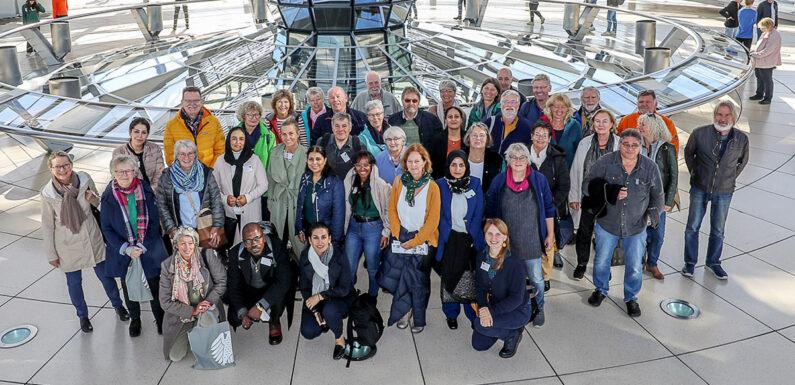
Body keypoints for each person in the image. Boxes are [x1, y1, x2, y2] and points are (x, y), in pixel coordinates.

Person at [41, 151, 128, 334]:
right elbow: (48, 226)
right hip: (67, 245)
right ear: (51, 169)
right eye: (58, 166)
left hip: (91, 238)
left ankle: (118, 306)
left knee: (106, 277)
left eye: (66, 165)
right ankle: (83, 316)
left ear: (71, 164)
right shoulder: (48, 193)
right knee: (74, 283)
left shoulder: (85, 179)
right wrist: (51, 254)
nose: (63, 169)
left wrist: (93, 199)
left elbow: (99, 204)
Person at [582, 130, 664, 317]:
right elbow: (586, 186)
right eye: (625, 144)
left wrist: (652, 215)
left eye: (634, 145)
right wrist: (610, 191)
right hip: (607, 223)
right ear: (620, 144)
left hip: (636, 226)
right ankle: (600, 290)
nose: (629, 148)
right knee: (602, 261)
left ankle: (631, 298)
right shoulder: (606, 162)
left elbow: (658, 195)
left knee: (635, 265)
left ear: (640, 147)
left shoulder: (650, 167)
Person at [485, 143, 555, 328]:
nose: (518, 161)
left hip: (531, 240)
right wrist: (491, 239)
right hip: (506, 243)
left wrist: (550, 235)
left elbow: (549, 208)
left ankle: (539, 308)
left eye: (522, 157)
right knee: (506, 279)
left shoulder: (539, 180)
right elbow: (491, 211)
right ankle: (512, 308)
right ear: (508, 160)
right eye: (514, 157)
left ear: (528, 160)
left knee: (536, 278)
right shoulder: (499, 181)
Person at [100, 154, 168, 337]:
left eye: (128, 171)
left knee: (154, 286)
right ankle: (135, 320)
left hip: (148, 248)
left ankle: (160, 319)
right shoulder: (108, 197)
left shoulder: (144, 189)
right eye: (120, 171)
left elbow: (154, 221)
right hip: (123, 252)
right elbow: (106, 228)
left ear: (134, 171)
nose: (125, 175)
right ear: (114, 173)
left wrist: (143, 246)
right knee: (129, 288)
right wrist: (127, 249)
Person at [683, 101, 749, 280]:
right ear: (714, 115)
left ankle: (713, 263)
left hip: (724, 190)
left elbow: (742, 162)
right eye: (719, 114)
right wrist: (695, 173)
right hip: (700, 187)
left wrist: (729, 177)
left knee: (718, 230)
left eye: (727, 115)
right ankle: (689, 263)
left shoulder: (741, 139)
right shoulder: (699, 133)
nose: (723, 118)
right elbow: (689, 153)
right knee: (692, 227)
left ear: (733, 117)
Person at [380, 144, 441, 333]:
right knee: (400, 278)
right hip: (401, 236)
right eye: (410, 161)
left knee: (419, 280)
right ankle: (403, 312)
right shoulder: (399, 182)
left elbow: (433, 220)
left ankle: (419, 316)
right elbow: (391, 209)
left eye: (417, 161)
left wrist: (415, 241)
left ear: (424, 162)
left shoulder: (432, 186)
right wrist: (397, 233)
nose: (413, 165)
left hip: (423, 240)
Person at [159, 226, 227, 361]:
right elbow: (165, 301)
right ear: (176, 245)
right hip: (183, 314)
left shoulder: (207, 255)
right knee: (175, 356)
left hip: (207, 307)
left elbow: (221, 281)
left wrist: (208, 301)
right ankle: (192, 327)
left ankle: (202, 330)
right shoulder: (167, 266)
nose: (187, 247)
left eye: (191, 243)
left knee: (208, 324)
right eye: (182, 243)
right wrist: (192, 311)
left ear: (195, 244)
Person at [436, 150, 485, 329]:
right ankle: (451, 314)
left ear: (467, 166)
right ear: (448, 166)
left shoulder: (475, 184)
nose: (457, 168)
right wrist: (448, 236)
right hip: (449, 239)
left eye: (461, 164)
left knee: (469, 278)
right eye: (453, 164)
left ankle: (472, 314)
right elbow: (438, 214)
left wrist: (470, 236)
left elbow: (479, 212)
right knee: (449, 277)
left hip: (469, 239)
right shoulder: (440, 184)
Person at [569, 109, 620, 280]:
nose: (600, 124)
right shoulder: (585, 143)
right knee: (584, 232)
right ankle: (581, 263)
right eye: (597, 121)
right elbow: (576, 170)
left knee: (606, 235)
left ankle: (604, 266)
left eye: (605, 121)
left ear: (612, 124)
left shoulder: (619, 144)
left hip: (611, 199)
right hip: (589, 196)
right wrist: (574, 197)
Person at [471, 219, 531, 358]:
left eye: (498, 234)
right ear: (484, 235)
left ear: (505, 237)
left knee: (479, 324)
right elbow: (480, 286)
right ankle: (504, 329)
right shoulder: (481, 256)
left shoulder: (515, 263)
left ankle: (512, 334)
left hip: (517, 310)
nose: (493, 238)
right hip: (495, 305)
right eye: (489, 233)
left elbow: (516, 298)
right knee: (478, 345)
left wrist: (491, 313)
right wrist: (483, 308)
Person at [226, 222, 293, 345]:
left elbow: (284, 281)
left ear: (264, 237)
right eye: (248, 241)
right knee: (234, 318)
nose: (254, 244)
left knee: (280, 295)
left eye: (257, 238)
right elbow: (233, 286)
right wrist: (243, 312)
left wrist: (260, 306)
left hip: (271, 288)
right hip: (250, 290)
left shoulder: (277, 247)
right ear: (243, 243)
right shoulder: (235, 253)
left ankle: (274, 320)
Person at [298, 222, 355, 360]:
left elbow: (345, 288)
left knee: (330, 310)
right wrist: (315, 311)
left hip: (339, 297)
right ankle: (326, 319)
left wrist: (321, 295)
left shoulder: (339, 255)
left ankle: (340, 339)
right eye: (315, 237)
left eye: (324, 237)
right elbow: (304, 287)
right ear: (309, 239)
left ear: (329, 238)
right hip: (315, 298)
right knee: (308, 332)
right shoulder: (305, 256)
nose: (320, 242)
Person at [155, 140, 224, 248]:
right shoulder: (166, 176)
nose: (186, 158)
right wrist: (171, 229)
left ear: (195, 155)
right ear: (176, 156)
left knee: (206, 260)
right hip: (180, 231)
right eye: (182, 154)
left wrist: (216, 226)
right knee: (184, 261)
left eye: (190, 153)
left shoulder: (206, 174)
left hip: (205, 228)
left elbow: (216, 201)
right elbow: (161, 205)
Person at [529, 121, 570, 290]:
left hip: (548, 209)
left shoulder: (557, 159)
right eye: (537, 134)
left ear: (549, 138)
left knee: (548, 243)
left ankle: (545, 275)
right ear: (531, 136)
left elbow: (564, 186)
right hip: (526, 208)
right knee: (528, 242)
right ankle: (527, 273)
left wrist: (552, 205)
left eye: (544, 135)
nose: (540, 138)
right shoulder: (522, 154)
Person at [343, 151, 391, 297]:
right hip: (353, 227)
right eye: (358, 165)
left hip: (374, 229)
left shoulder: (380, 185)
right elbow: (346, 204)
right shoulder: (350, 180)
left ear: (372, 165)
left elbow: (388, 210)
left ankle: (372, 296)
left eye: (366, 165)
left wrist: (386, 232)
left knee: (372, 267)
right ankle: (349, 295)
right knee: (349, 266)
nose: (362, 168)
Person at [637, 114, 677, 281]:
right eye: (640, 125)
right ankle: (638, 262)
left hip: (658, 198)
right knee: (639, 233)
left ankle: (652, 263)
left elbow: (673, 176)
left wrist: (668, 202)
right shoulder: (636, 144)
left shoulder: (667, 148)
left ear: (654, 127)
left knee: (658, 234)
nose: (640, 128)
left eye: (643, 125)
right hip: (638, 198)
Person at [213, 127, 268, 246]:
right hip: (229, 213)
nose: (238, 142)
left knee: (251, 244)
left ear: (245, 141)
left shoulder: (254, 160)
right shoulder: (220, 161)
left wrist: (247, 197)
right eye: (234, 138)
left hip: (250, 211)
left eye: (241, 139)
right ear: (228, 140)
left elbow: (263, 185)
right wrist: (225, 198)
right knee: (231, 247)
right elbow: (214, 187)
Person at [267, 118, 309, 262]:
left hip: (298, 202)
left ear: (298, 134)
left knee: (300, 242)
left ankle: (302, 276)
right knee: (278, 240)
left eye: (291, 133)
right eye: (284, 134)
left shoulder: (307, 154)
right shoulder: (275, 151)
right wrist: (270, 202)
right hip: (279, 201)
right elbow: (271, 179)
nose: (288, 137)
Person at [296, 146, 346, 249]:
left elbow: (339, 214)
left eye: (318, 159)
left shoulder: (334, 181)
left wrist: (334, 240)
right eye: (311, 159)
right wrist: (300, 228)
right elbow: (300, 204)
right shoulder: (305, 177)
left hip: (326, 234)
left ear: (325, 160)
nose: (314, 162)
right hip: (309, 230)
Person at [164, 87, 225, 167]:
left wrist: (210, 171)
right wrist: (183, 172)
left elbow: (220, 151)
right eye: (188, 100)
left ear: (201, 102)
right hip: (183, 175)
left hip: (208, 173)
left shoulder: (213, 122)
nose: (192, 104)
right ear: (182, 102)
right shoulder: (171, 125)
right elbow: (170, 155)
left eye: (196, 100)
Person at [236, 101, 277, 220]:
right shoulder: (234, 134)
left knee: (262, 223)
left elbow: (271, 164)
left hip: (262, 189)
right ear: (243, 116)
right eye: (250, 115)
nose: (254, 118)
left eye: (257, 114)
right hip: (241, 188)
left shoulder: (269, 136)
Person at [617, 90, 680, 155]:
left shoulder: (667, 123)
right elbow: (617, 144)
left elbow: (673, 149)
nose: (644, 104)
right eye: (641, 102)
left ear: (656, 104)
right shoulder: (625, 120)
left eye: (648, 102)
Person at [112, 117, 165, 190]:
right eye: (136, 132)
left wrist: (150, 191)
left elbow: (160, 174)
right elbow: (117, 177)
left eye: (143, 132)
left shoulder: (155, 149)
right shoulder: (119, 152)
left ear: (147, 134)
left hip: (154, 193)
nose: (140, 136)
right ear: (130, 132)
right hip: (131, 193)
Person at [316, 113, 365, 177]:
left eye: (344, 126)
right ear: (332, 127)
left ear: (350, 128)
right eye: (337, 126)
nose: (340, 129)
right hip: (327, 185)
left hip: (350, 185)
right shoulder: (322, 142)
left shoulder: (358, 145)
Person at [542, 93, 583, 169]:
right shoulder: (541, 124)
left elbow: (579, 151)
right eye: (556, 106)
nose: (559, 110)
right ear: (550, 107)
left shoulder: (575, 125)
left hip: (568, 172)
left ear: (568, 109)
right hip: (545, 172)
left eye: (563, 107)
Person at [486, 90, 533, 156]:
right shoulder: (490, 122)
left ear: (518, 105)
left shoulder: (528, 127)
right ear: (501, 104)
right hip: (491, 165)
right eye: (506, 101)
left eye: (513, 102)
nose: (509, 105)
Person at [749, 17, 782, 105]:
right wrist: (754, 51)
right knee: (759, 78)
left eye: (762, 27)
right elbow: (760, 46)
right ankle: (759, 94)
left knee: (767, 80)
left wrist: (755, 54)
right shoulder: (766, 33)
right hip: (760, 61)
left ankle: (767, 98)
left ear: (768, 26)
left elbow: (768, 50)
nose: (761, 29)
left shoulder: (774, 35)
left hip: (766, 62)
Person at [464, 123, 503, 195]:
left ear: (487, 138)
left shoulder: (496, 159)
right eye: (474, 135)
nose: (478, 138)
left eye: (482, 135)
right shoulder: (460, 156)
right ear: (468, 137)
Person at [429, 106, 468, 178]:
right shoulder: (437, 140)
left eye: (456, 117)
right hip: (441, 180)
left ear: (461, 120)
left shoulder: (468, 139)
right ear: (446, 120)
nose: (453, 119)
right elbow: (432, 164)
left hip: (464, 179)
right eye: (450, 117)